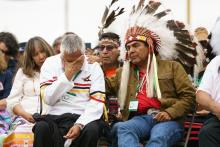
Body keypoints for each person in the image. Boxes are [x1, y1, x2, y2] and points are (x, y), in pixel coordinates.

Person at [108, 1, 196, 147]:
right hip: (139, 119)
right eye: (128, 47)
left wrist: (170, 112)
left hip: (168, 119)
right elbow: (103, 87)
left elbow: (190, 97)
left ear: (150, 47)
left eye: (136, 45)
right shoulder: (123, 73)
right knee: (123, 128)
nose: (131, 51)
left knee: (159, 136)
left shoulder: (172, 67)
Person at [33, 33, 105, 147]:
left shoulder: (93, 66)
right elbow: (48, 99)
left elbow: (97, 102)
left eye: (76, 61)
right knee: (41, 127)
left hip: (83, 116)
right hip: (54, 117)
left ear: (83, 55)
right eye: (67, 60)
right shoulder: (50, 63)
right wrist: (67, 75)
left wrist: (80, 124)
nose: (72, 64)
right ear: (61, 54)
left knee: (92, 129)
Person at [196, 56, 220, 147]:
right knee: (208, 132)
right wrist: (216, 107)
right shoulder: (217, 61)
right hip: (217, 117)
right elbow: (201, 95)